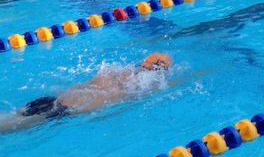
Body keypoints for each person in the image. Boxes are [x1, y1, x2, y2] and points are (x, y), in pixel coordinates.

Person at [0, 53, 172, 133]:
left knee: (8, 116)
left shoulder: (117, 70)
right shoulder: (138, 89)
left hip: (54, 99)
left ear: (142, 63)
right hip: (62, 110)